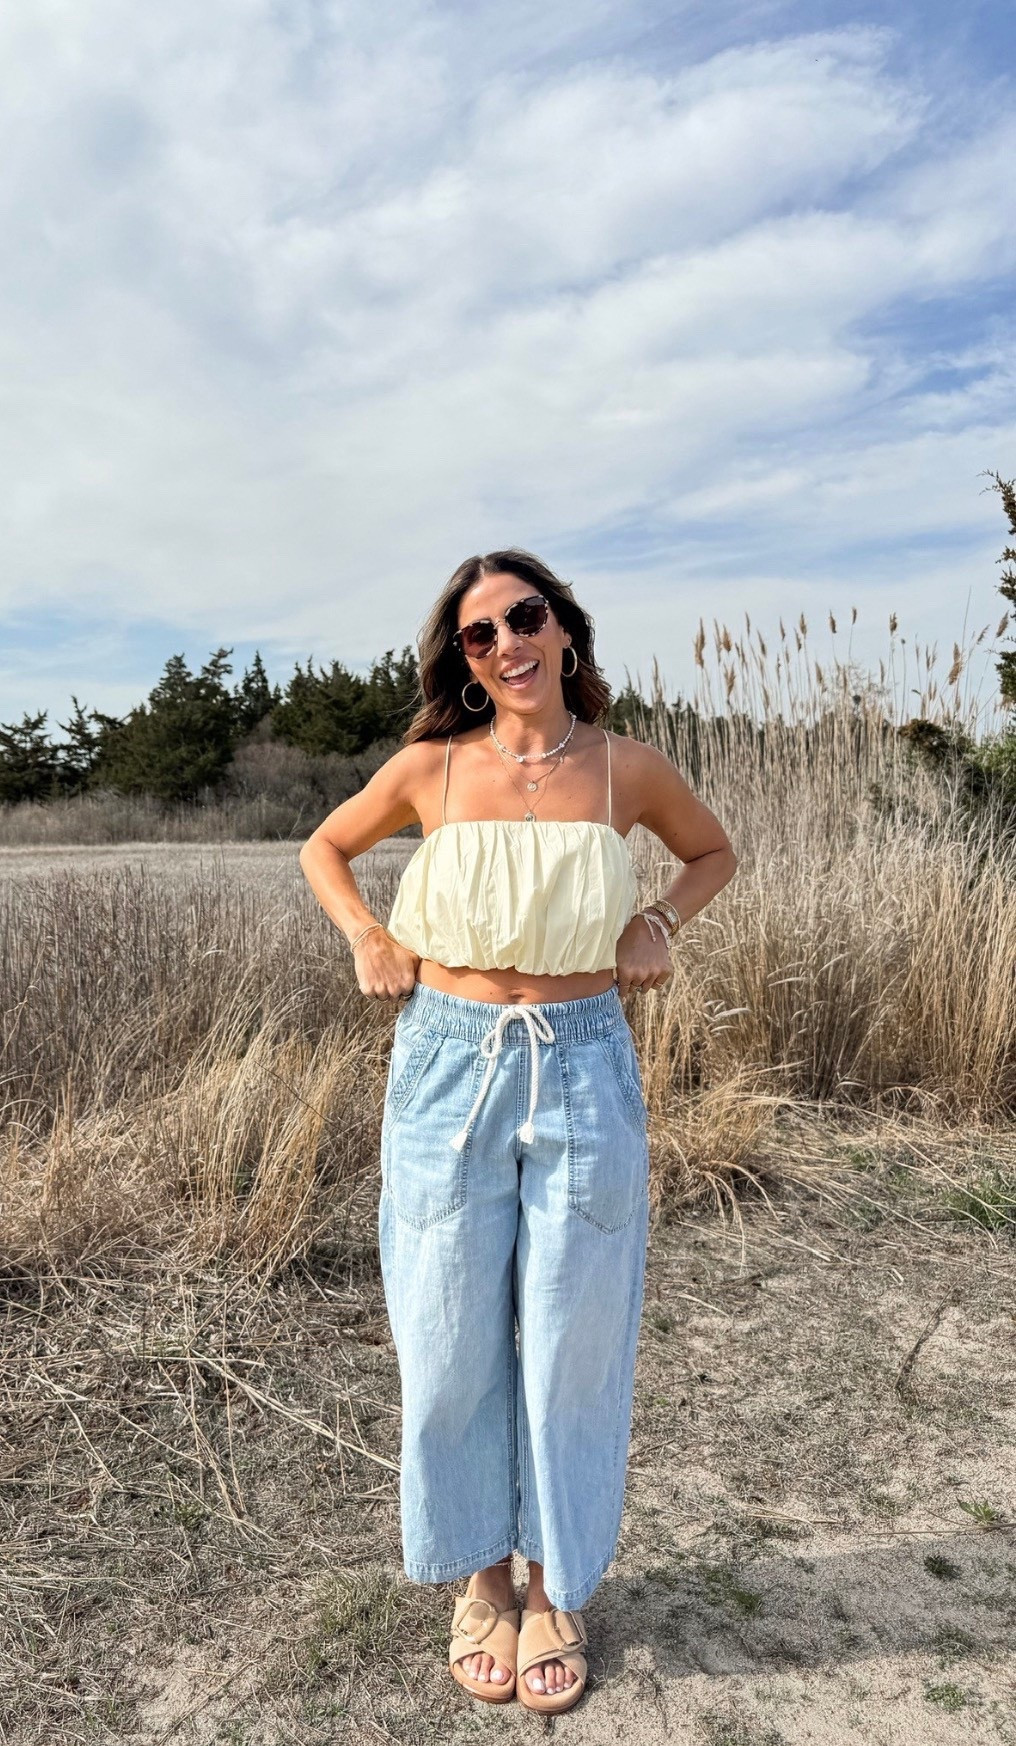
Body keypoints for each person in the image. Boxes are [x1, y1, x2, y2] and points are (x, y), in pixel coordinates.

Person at [298, 548, 737, 1713]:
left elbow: (713, 853)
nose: (504, 645)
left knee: (568, 1342)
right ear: (466, 664)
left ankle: (554, 1586)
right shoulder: (430, 769)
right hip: (448, 1063)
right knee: (446, 1335)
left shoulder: (623, 770)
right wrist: (365, 937)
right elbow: (324, 849)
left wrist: (658, 919)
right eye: (477, 636)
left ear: (565, 630)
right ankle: (480, 1578)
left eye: (522, 617)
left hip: (585, 1060)